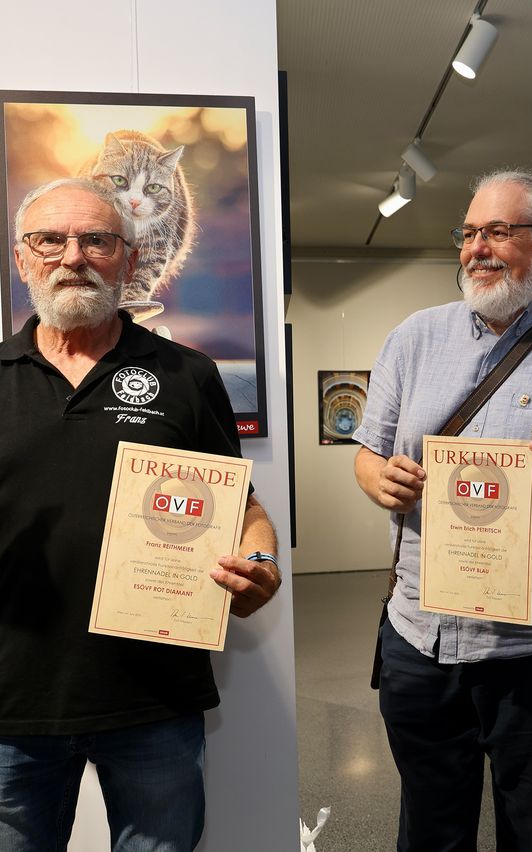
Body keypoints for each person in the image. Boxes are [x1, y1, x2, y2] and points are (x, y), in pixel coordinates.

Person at [353, 170, 532, 851]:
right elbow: (367, 455)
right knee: (430, 827)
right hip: (421, 633)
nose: (478, 248)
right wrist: (381, 481)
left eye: (499, 232)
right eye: (469, 233)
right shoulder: (413, 338)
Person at [0, 178, 280, 851]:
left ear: (128, 260)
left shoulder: (188, 374)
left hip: (155, 700)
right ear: (22, 259)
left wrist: (261, 563)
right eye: (51, 240)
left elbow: (241, 505)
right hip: (12, 707)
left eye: (97, 239)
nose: (74, 256)